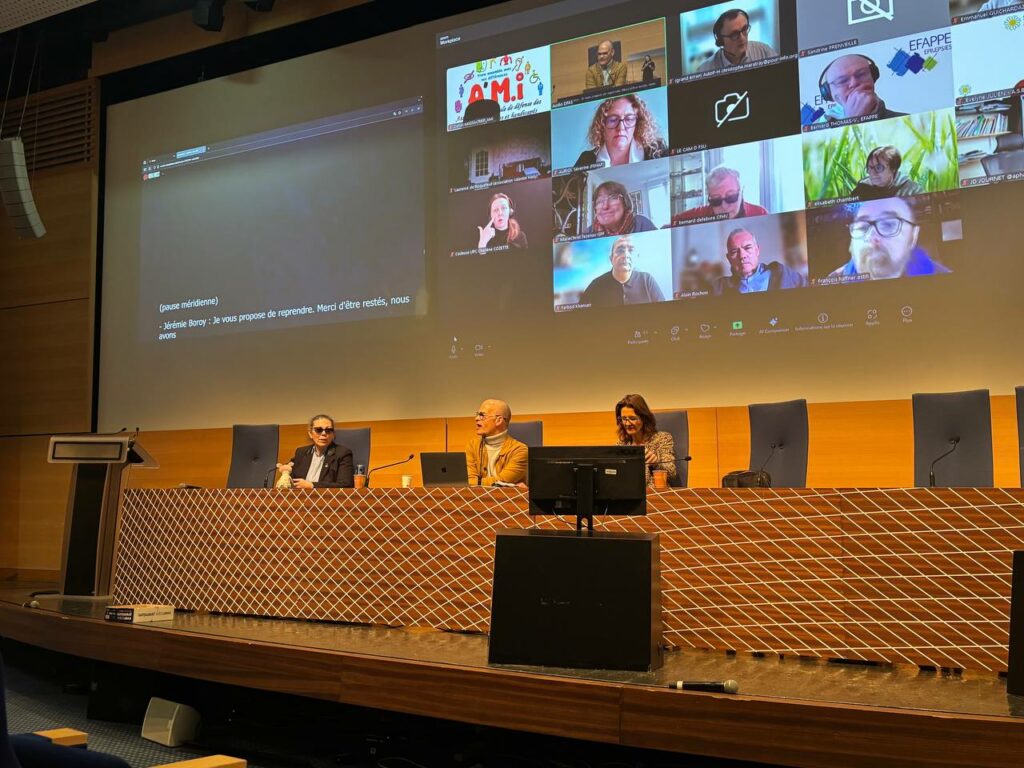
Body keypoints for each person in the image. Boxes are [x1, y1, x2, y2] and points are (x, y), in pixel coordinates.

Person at [827, 197, 951, 281]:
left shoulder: (944, 280)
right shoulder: (834, 280)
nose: (872, 238)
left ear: (913, 236)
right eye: (863, 227)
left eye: (888, 225)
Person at [574, 94, 668, 168]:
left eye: (629, 119)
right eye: (613, 120)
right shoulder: (585, 160)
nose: (621, 127)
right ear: (602, 125)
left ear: (638, 123)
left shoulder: (658, 151)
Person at [712, 228, 807, 294]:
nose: (742, 256)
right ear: (729, 258)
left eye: (747, 248)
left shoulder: (782, 273)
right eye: (734, 252)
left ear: (757, 250)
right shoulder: (719, 288)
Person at [580, 235, 665, 307]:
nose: (626, 255)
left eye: (631, 251)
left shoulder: (647, 280)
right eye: (620, 250)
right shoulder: (596, 286)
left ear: (636, 257)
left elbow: (664, 312)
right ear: (611, 259)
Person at [818, 54, 906, 123]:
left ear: (873, 76)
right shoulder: (819, 131)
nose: (854, 83)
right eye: (842, 81)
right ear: (828, 92)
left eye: (861, 74)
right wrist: (853, 120)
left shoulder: (903, 120)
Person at [614, 393, 676, 487]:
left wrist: (656, 463)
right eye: (624, 419)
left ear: (644, 418)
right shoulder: (622, 444)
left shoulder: (662, 439)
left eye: (632, 418)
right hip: (629, 495)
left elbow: (672, 473)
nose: (627, 423)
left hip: (655, 496)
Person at [277, 414, 354, 489]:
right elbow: (292, 477)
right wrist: (286, 471)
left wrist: (312, 485)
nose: (324, 433)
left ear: (333, 434)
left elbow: (346, 484)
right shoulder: (301, 452)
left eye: (328, 430)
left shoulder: (343, 453)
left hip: (326, 499)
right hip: (299, 498)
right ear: (310, 434)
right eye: (318, 430)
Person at [671, 166, 768, 224]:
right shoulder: (701, 214)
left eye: (731, 197)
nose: (724, 207)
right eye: (716, 200)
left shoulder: (759, 213)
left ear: (741, 192)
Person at [465, 398, 528, 486]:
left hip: (506, 499)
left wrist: (477, 483)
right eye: (477, 414)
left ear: (498, 420)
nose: (476, 418)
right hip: (476, 498)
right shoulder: (472, 446)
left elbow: (502, 481)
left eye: (482, 415)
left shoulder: (520, 450)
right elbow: (467, 480)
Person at [696, 9, 778, 74]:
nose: (742, 38)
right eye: (734, 34)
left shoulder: (764, 51)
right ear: (721, 40)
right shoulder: (704, 70)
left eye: (744, 29)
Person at [849, 146, 923, 200]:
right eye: (870, 168)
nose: (872, 173)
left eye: (879, 168)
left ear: (893, 168)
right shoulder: (861, 190)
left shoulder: (912, 190)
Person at [586, 181, 656, 235]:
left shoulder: (641, 223)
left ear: (625, 202)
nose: (605, 206)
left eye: (613, 198)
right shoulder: (589, 232)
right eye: (599, 201)